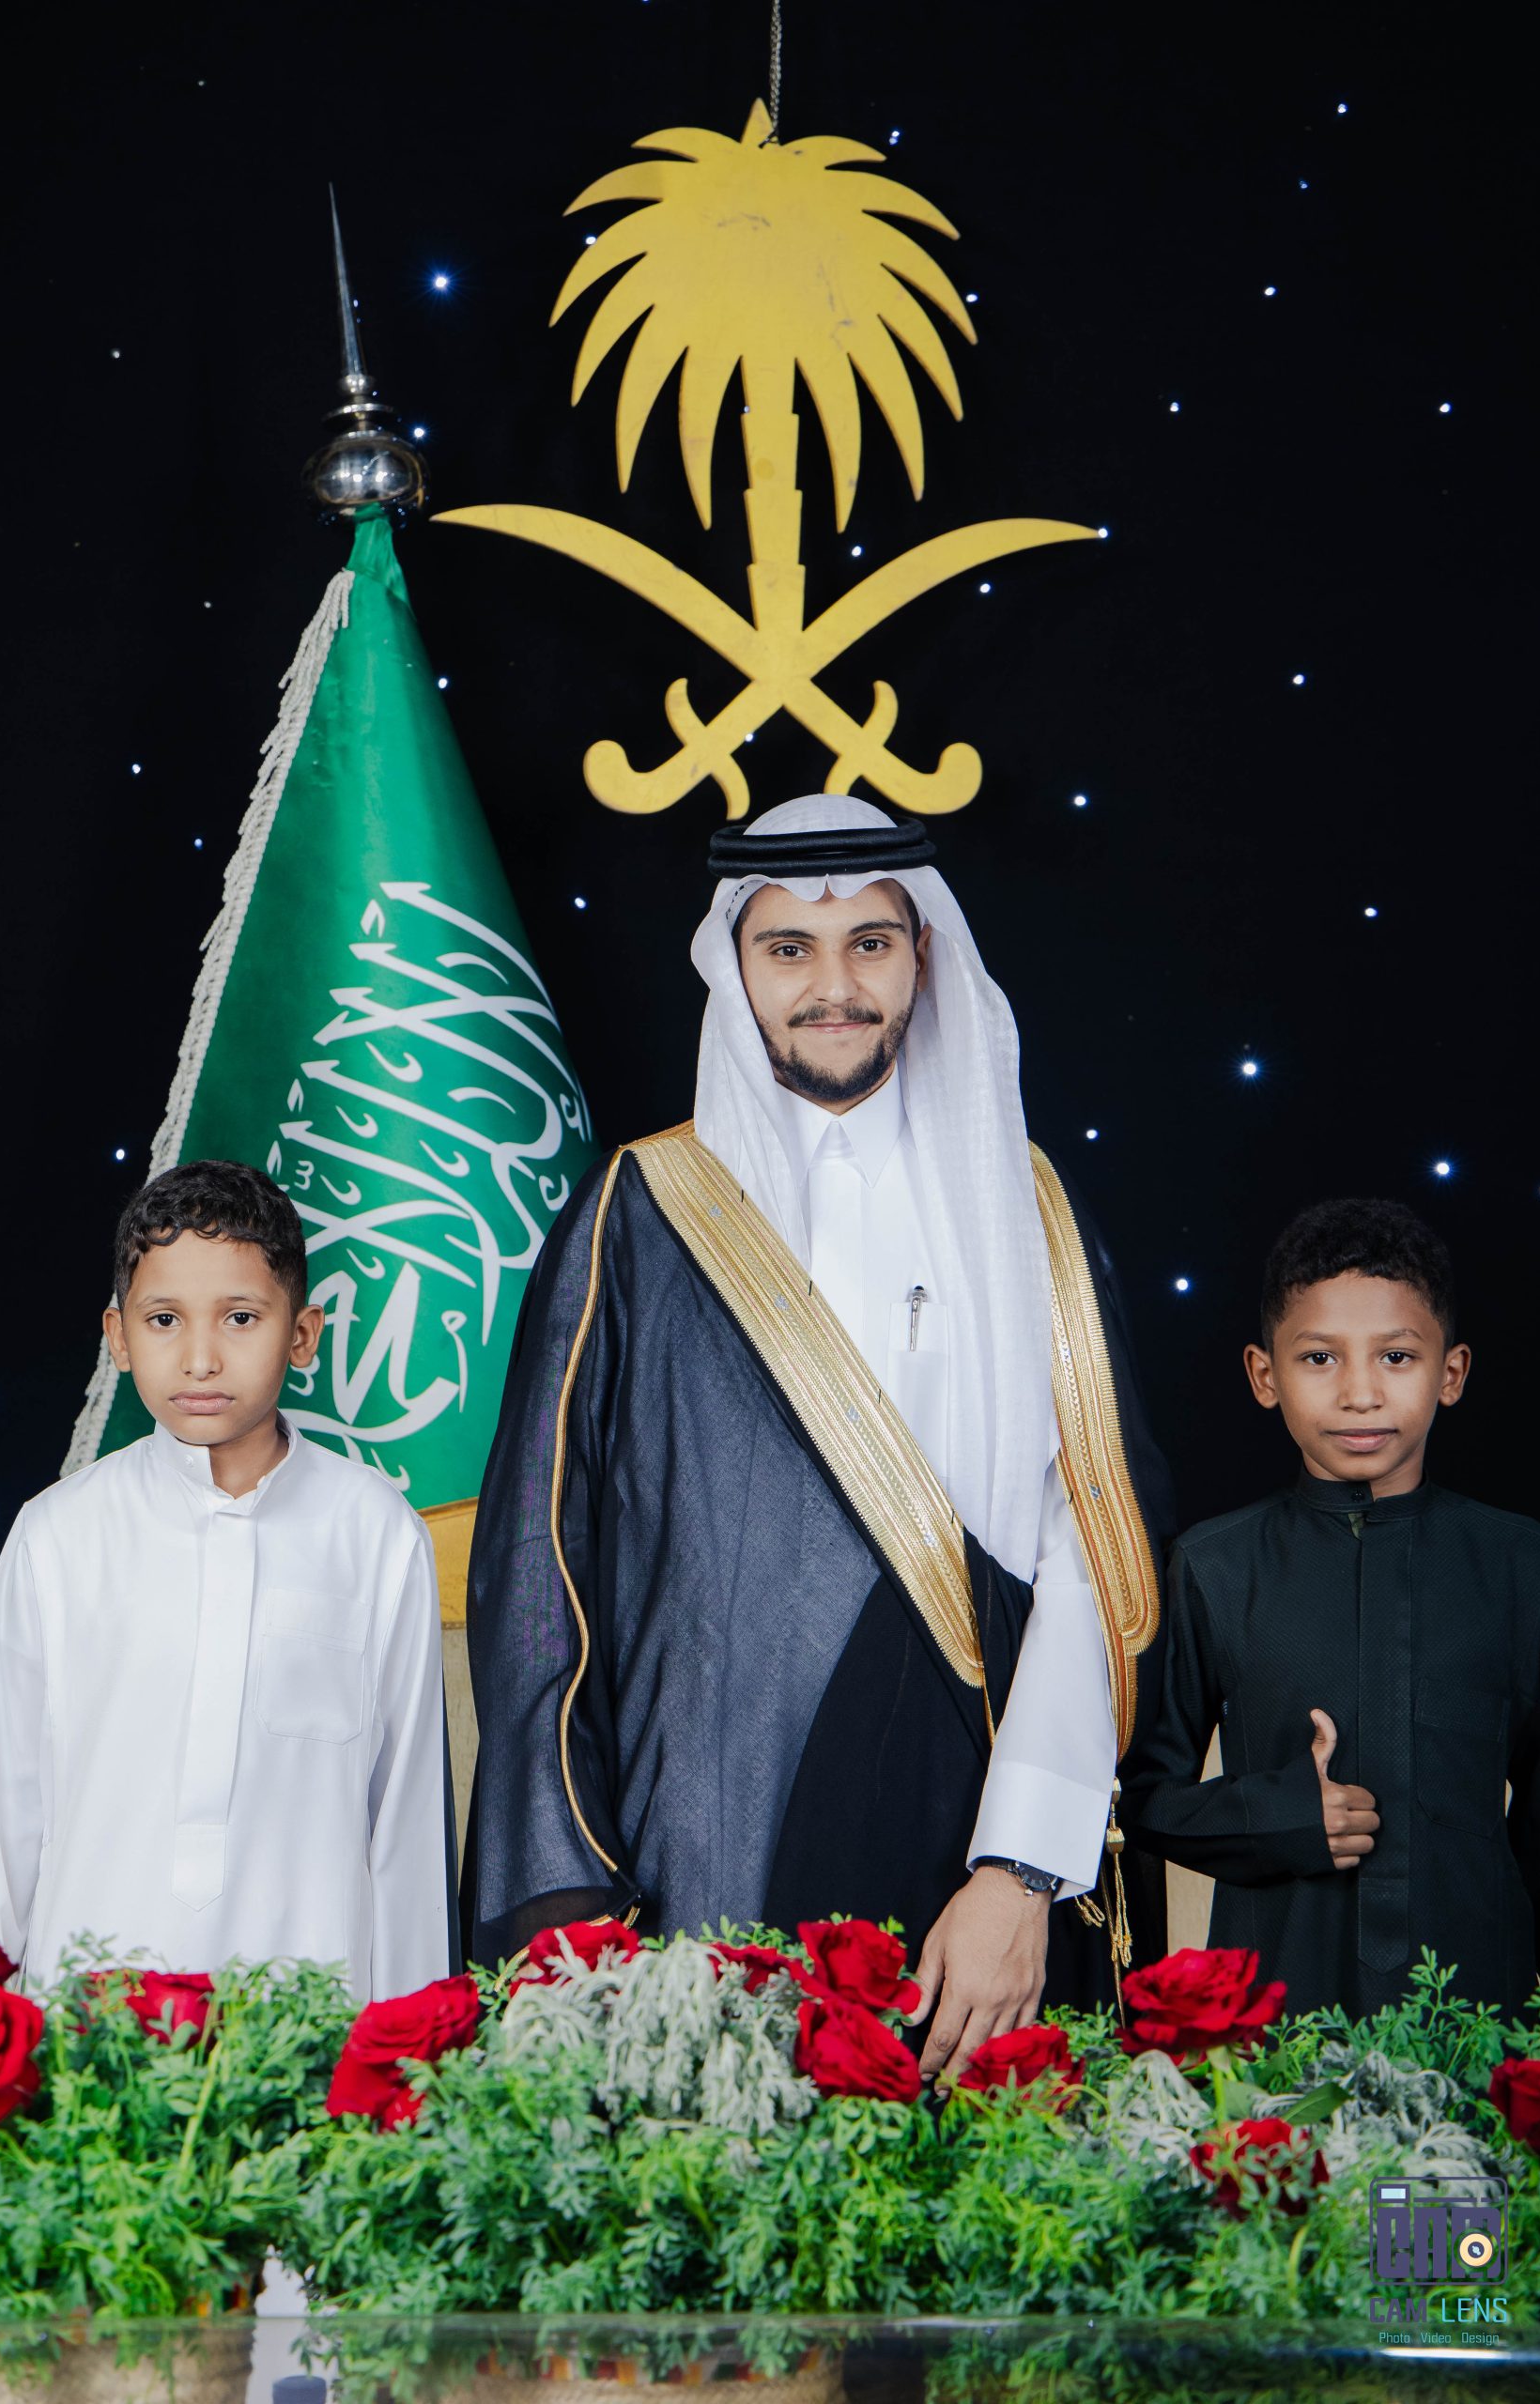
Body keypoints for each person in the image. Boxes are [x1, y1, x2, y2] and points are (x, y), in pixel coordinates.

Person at [463, 796, 1172, 2078]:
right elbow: (536, 1579)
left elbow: (1093, 1556)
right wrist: (579, 1905)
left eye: (870, 945)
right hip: (704, 1866)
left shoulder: (1027, 1208)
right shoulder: (640, 1213)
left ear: (923, 958)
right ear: (735, 966)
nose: (831, 986)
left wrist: (1022, 1869)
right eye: (788, 947)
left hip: (979, 1872)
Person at [0, 1160, 452, 1999]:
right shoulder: (57, 1536)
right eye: (164, 1319)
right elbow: (2, 1821)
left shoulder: (376, 1534)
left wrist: (409, 2046)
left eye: (240, 1317)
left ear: (302, 1334)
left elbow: (407, 1826)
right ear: (119, 1337)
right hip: (86, 2024)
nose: (199, 1358)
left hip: (311, 2021)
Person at [1120, 1197, 1540, 2018]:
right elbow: (1140, 1797)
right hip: (1274, 2017)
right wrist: (1278, 1815)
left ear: (1450, 1373)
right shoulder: (1213, 1566)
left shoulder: (1525, 1568)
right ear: (1264, 1375)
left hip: (1482, 2018)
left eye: (1396, 1356)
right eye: (1319, 1357)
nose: (1360, 1393)